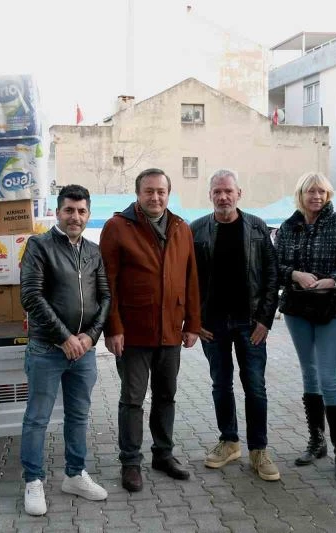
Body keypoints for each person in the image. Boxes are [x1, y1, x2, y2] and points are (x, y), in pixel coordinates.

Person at [100, 168, 202, 492]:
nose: (155, 197)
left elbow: (191, 279)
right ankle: (131, 463)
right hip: (132, 333)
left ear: (168, 194)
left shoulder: (181, 228)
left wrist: (194, 324)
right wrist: (112, 328)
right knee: (132, 399)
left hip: (170, 331)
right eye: (149, 191)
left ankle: (163, 455)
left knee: (166, 396)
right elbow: (107, 284)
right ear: (138, 194)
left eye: (161, 191)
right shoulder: (117, 228)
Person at [19, 185, 111, 516]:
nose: (76, 216)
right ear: (58, 212)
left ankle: (75, 474)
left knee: (78, 415)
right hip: (47, 348)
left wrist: (89, 338)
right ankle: (33, 480)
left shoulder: (93, 250)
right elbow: (31, 295)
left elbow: (105, 298)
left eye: (82, 211)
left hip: (84, 351)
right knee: (37, 419)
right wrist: (64, 338)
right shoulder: (39, 245)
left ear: (88, 214)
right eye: (69, 210)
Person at [274, 172, 336, 484]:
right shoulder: (288, 227)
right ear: (300, 194)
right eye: (311, 191)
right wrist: (296, 274)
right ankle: (317, 441)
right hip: (297, 309)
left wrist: (334, 280)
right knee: (308, 375)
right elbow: (275, 267)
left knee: (329, 380)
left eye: (322, 192)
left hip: (334, 308)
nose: (317, 197)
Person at [189, 169, 281, 481]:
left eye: (228, 191)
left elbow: (271, 276)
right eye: (217, 192)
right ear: (210, 195)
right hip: (212, 325)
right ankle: (229, 441)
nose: (223, 197)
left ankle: (259, 449)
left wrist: (266, 320)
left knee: (255, 385)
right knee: (220, 384)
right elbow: (187, 280)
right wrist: (194, 319)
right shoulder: (197, 230)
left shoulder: (256, 227)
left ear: (239, 193)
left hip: (250, 323)